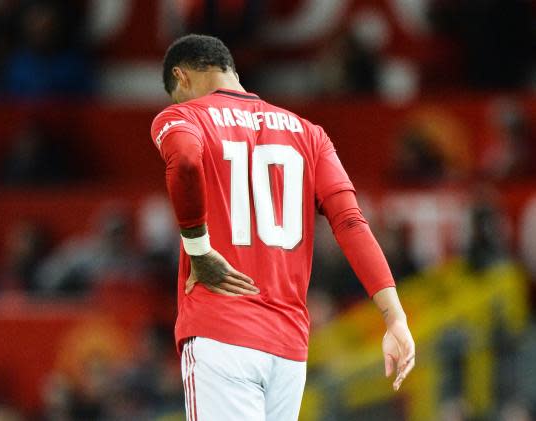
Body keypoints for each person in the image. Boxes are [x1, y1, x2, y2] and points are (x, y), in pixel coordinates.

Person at [150, 34, 415, 421]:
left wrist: (198, 247)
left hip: (221, 332)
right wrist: (394, 317)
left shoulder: (184, 116)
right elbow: (350, 222)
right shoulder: (309, 133)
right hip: (288, 349)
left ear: (182, 76)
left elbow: (186, 161)